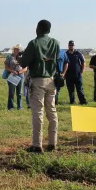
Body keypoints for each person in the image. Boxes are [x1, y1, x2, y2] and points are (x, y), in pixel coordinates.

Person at [20, 20, 60, 153]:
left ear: (39, 28)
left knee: (38, 112)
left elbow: (24, 63)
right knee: (52, 111)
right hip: (51, 80)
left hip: (38, 81)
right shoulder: (55, 43)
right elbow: (56, 59)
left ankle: (37, 145)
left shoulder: (34, 43)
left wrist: (20, 58)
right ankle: (52, 143)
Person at [65, 40, 87, 105]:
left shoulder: (78, 53)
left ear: (74, 46)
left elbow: (83, 62)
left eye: (72, 45)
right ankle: (72, 102)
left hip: (78, 75)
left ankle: (83, 102)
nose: (71, 46)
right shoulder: (65, 54)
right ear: (68, 46)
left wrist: (82, 71)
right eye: (70, 45)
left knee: (80, 89)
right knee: (70, 90)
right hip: (68, 75)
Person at [5, 44, 26, 110]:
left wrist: (19, 72)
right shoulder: (9, 56)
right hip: (12, 75)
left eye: (19, 49)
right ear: (14, 49)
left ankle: (20, 106)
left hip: (20, 75)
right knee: (11, 92)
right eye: (16, 49)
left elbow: (25, 68)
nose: (17, 50)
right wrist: (12, 71)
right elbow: (6, 67)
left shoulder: (23, 57)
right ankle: (10, 107)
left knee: (19, 92)